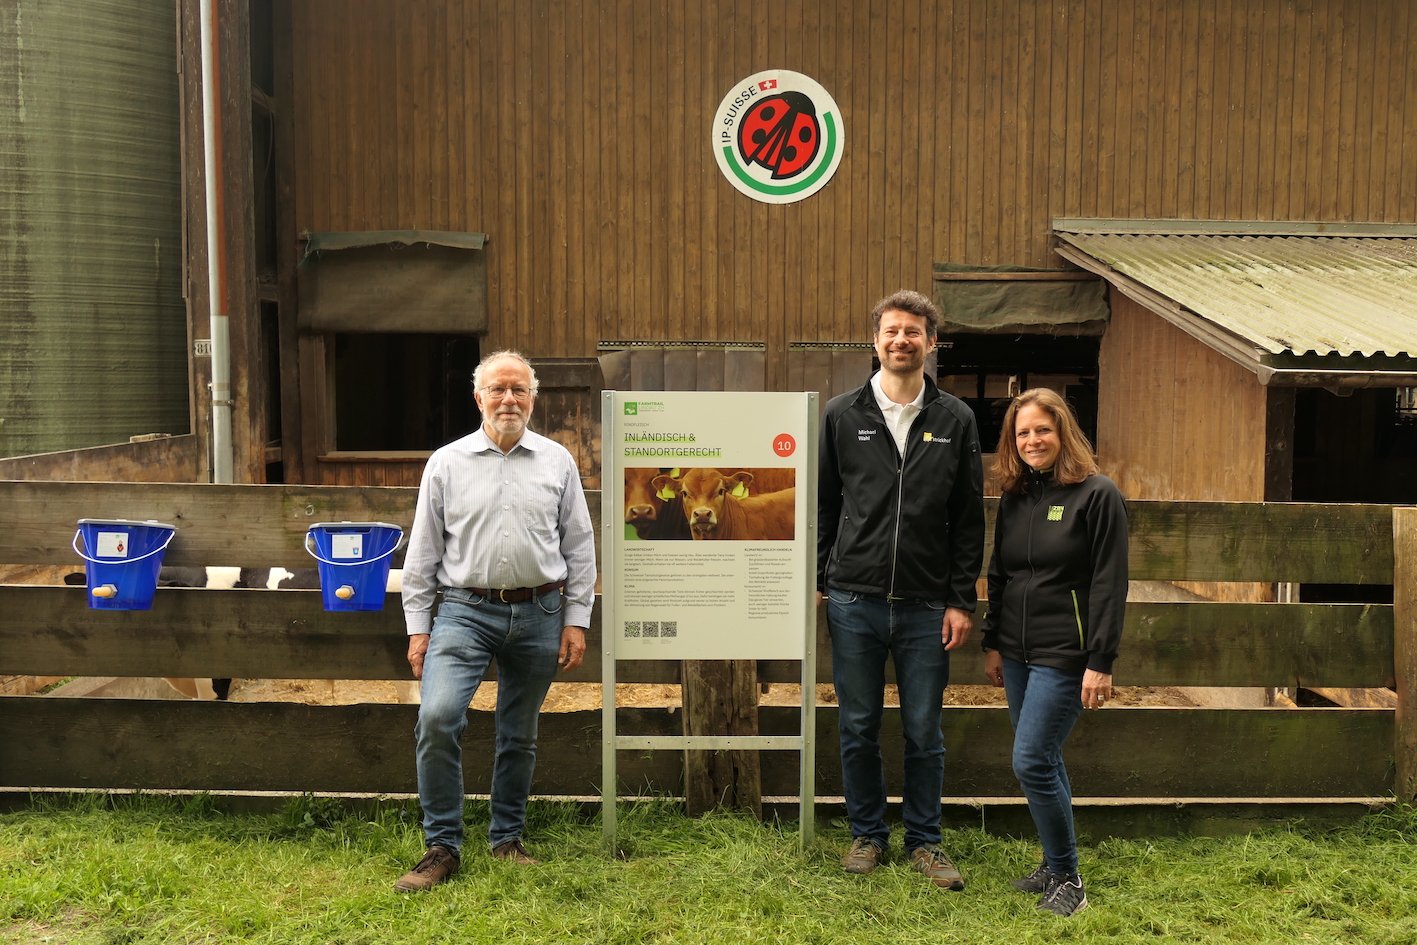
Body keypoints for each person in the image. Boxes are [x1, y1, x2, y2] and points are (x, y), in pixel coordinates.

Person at [395, 350, 596, 893]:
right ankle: (442, 845)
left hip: (541, 611)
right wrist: (419, 627)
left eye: (519, 390)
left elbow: (579, 545)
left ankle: (506, 838)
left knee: (519, 732)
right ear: (478, 397)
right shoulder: (447, 463)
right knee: (438, 717)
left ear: (533, 398)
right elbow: (423, 552)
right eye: (498, 389)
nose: (509, 399)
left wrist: (577, 618)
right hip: (465, 610)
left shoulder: (557, 461)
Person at [818, 289, 985, 890]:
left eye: (913, 332)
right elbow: (825, 502)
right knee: (858, 724)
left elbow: (968, 517)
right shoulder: (842, 414)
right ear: (876, 340)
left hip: (925, 605)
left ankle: (925, 841)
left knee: (923, 728)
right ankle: (866, 833)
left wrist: (960, 598)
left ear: (931, 343)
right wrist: (821, 579)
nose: (901, 341)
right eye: (891, 331)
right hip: (854, 601)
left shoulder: (955, 419)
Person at [980, 387, 1129, 917]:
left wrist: (1100, 661)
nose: (1032, 440)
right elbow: (1000, 574)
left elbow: (1110, 582)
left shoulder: (1097, 494)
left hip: (1067, 652)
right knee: (1043, 758)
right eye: (1022, 432)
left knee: (1030, 759)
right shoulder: (1016, 496)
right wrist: (993, 641)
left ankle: (1069, 878)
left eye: (1042, 429)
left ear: (1063, 432)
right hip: (1017, 652)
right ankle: (1052, 862)